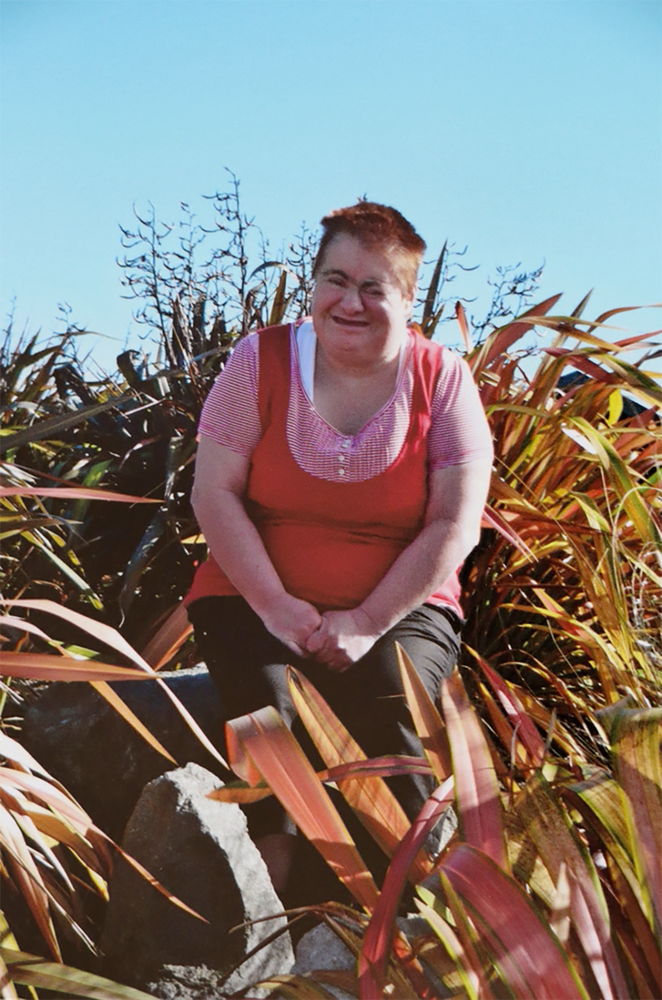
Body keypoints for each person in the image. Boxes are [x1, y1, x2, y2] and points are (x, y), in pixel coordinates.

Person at [185, 202, 493, 891]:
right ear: (314, 283)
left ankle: (408, 911)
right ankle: (270, 911)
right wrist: (275, 606)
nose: (350, 302)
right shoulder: (259, 361)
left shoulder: (443, 380)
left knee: (390, 701)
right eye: (335, 280)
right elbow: (214, 494)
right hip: (250, 596)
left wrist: (367, 622)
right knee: (266, 711)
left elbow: (455, 524)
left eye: (373, 287)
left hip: (402, 606)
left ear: (408, 300)